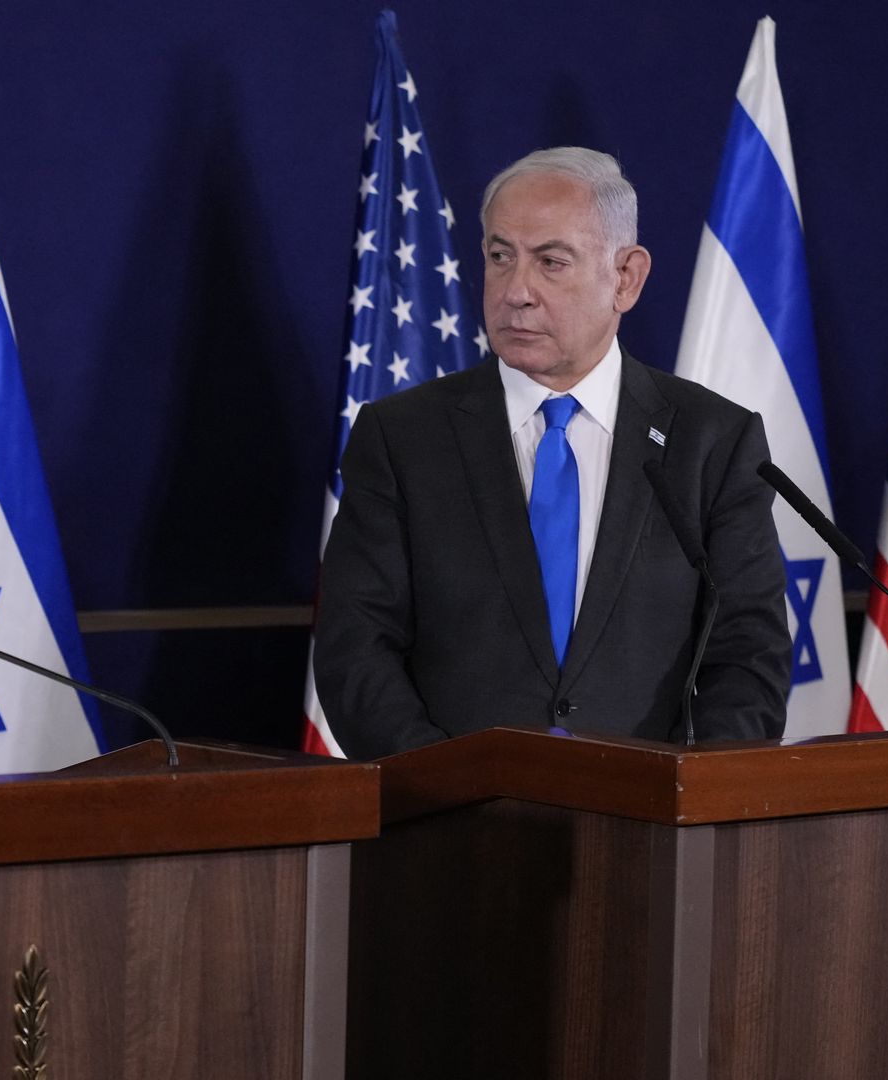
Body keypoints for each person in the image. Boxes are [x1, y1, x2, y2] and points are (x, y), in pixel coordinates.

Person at [313, 146, 790, 759]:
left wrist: (681, 793)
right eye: (500, 257)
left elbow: (749, 657)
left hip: (652, 810)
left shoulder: (712, 441)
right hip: (449, 807)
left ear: (626, 277)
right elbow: (356, 649)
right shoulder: (402, 437)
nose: (517, 291)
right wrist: (445, 785)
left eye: (551, 262)